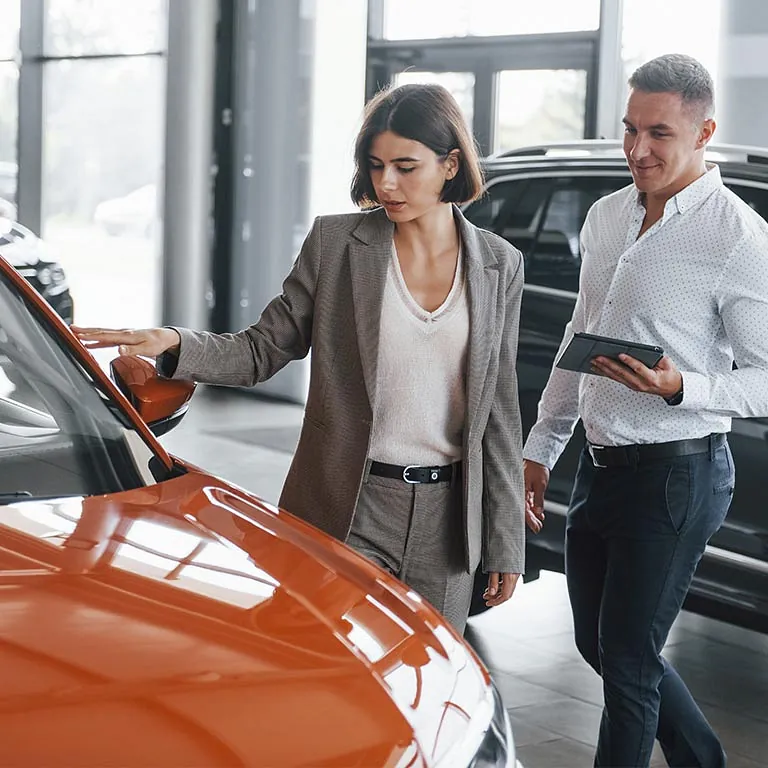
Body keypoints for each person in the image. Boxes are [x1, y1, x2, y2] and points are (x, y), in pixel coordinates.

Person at [74, 83, 526, 633]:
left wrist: (505, 540)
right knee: (331, 676)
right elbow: (261, 349)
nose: (386, 183)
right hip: (348, 505)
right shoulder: (337, 244)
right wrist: (173, 344)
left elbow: (498, 411)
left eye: (406, 167)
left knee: (426, 691)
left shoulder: (500, 264)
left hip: (448, 521)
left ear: (450, 164)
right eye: (377, 165)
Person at [522, 53, 768, 767]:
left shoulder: (736, 238)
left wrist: (682, 388)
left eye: (659, 133)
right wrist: (542, 446)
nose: (637, 150)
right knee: (598, 646)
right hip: (601, 467)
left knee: (629, 659)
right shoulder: (606, 215)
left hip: (678, 476)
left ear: (704, 132)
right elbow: (578, 335)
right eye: (630, 129)